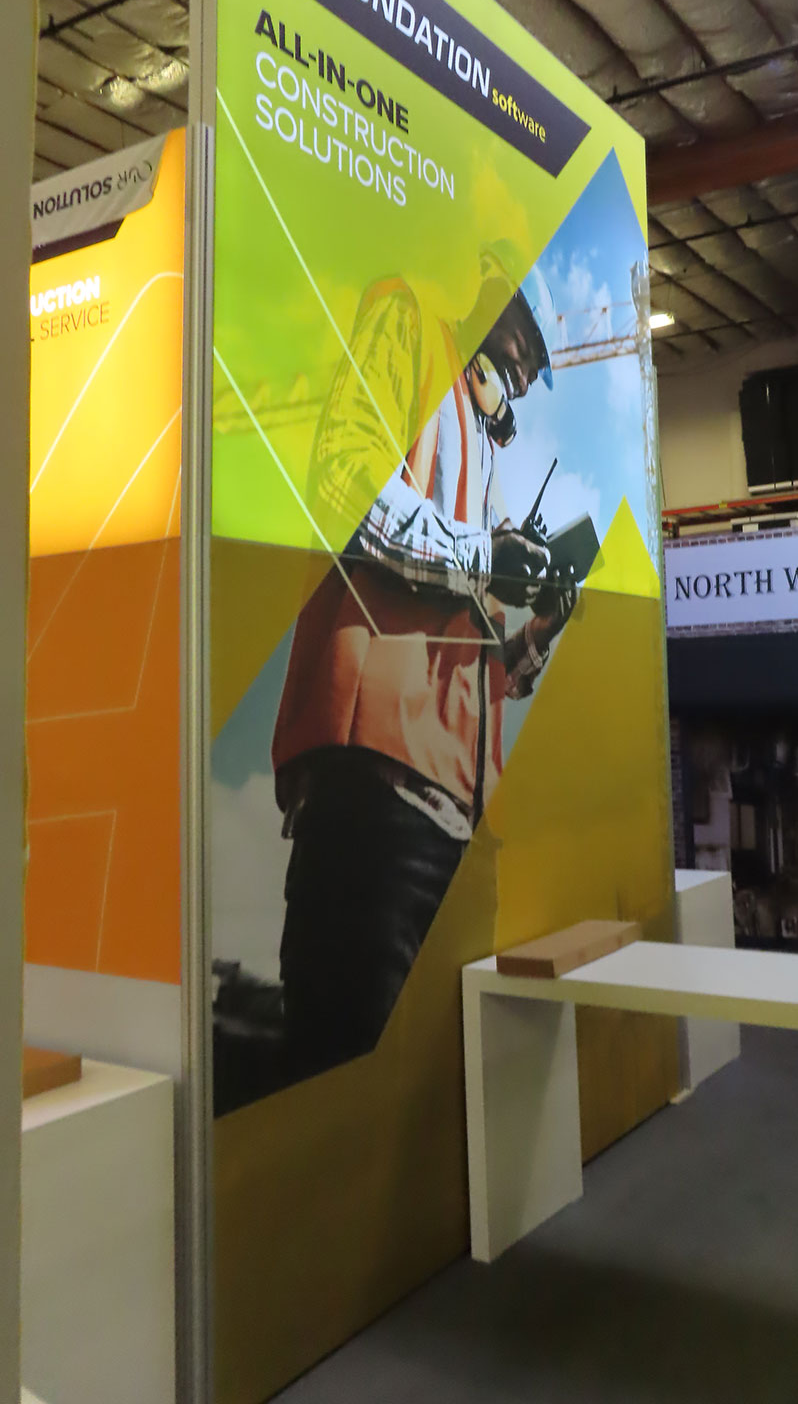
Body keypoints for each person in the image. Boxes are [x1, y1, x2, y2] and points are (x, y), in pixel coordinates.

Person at [271, 243, 573, 1079]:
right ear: (494, 297)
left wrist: (539, 629)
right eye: (526, 346)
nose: (526, 375)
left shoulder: (482, 453)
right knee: (342, 1068)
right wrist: (480, 554)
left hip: (454, 824)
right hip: (376, 800)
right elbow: (343, 480)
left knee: (426, 1086)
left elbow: (477, 667)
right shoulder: (406, 320)